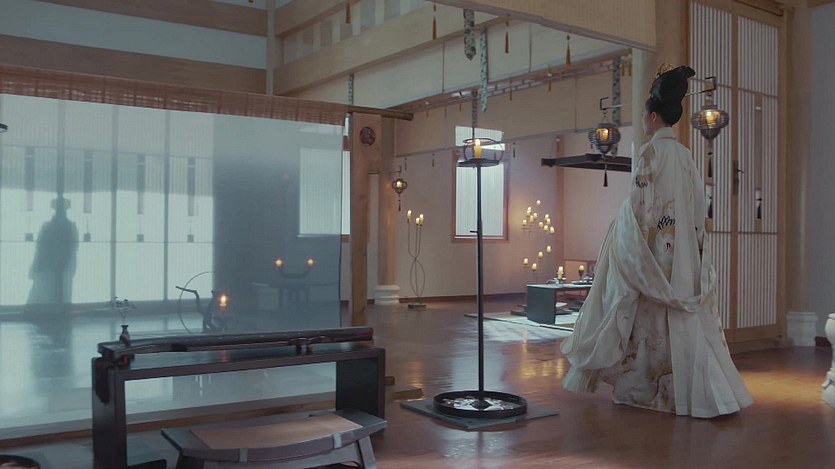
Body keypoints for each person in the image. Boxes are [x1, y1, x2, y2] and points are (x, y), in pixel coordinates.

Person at [560, 64, 753, 418]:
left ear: (652, 116)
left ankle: (648, 393)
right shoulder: (685, 156)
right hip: (681, 255)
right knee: (680, 324)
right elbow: (698, 208)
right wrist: (693, 249)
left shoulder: (649, 153)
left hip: (652, 255)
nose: (643, 121)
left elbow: (638, 208)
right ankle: (692, 394)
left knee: (647, 324)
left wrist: (625, 242)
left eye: (643, 116)